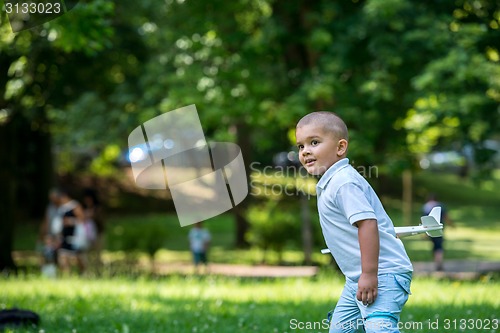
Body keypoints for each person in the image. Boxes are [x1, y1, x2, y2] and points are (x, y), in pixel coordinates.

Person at [295, 112, 413, 333]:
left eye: (314, 142)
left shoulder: (343, 182)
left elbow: (368, 224)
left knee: (380, 329)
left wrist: (369, 274)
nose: (305, 151)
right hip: (357, 279)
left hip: (382, 273)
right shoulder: (332, 182)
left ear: (340, 148)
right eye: (300, 146)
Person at [56, 189, 87, 275]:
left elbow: (82, 220)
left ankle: (83, 272)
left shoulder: (75, 206)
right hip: (64, 235)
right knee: (63, 255)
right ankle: (67, 275)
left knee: (77, 257)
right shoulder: (62, 208)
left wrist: (71, 221)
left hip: (75, 236)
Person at [422, 194, 453, 271]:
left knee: (434, 246)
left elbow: (423, 219)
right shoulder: (440, 206)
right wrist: (451, 224)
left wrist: (423, 232)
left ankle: (436, 263)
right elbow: (446, 217)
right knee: (439, 247)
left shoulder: (426, 207)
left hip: (429, 230)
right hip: (438, 230)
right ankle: (439, 263)